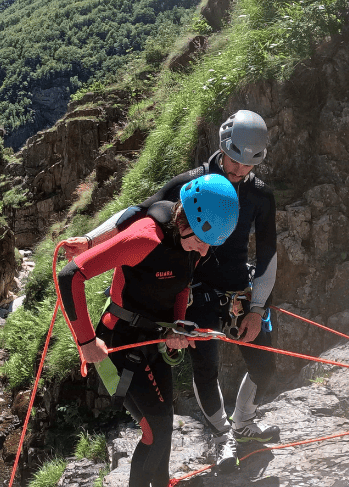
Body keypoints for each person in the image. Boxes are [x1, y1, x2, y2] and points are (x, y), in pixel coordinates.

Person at [64, 110, 278, 471]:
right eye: (234, 161)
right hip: (193, 291)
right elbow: (137, 214)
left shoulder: (259, 195)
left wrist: (256, 306)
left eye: (247, 166)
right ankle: (223, 435)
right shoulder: (193, 184)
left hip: (238, 290)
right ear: (223, 147)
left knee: (264, 364)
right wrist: (91, 240)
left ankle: (243, 422)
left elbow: (270, 252)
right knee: (205, 368)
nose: (239, 171)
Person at [57, 174, 240, 487]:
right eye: (201, 241)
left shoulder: (192, 241)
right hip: (116, 344)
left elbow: (181, 287)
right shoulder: (144, 238)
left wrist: (177, 327)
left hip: (151, 340)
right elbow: (70, 275)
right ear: (187, 222)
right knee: (154, 430)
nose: (204, 251)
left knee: (163, 423)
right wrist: (86, 342)